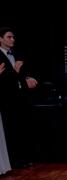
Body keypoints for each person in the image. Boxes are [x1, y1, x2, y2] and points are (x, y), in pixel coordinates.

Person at [0, 27, 37, 169]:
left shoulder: (15, 54)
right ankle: (14, 160)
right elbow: (4, 80)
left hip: (20, 97)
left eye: (13, 37)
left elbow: (21, 74)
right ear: (0, 39)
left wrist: (27, 78)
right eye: (9, 37)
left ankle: (24, 158)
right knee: (11, 129)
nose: (12, 39)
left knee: (22, 128)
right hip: (7, 99)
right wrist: (15, 71)